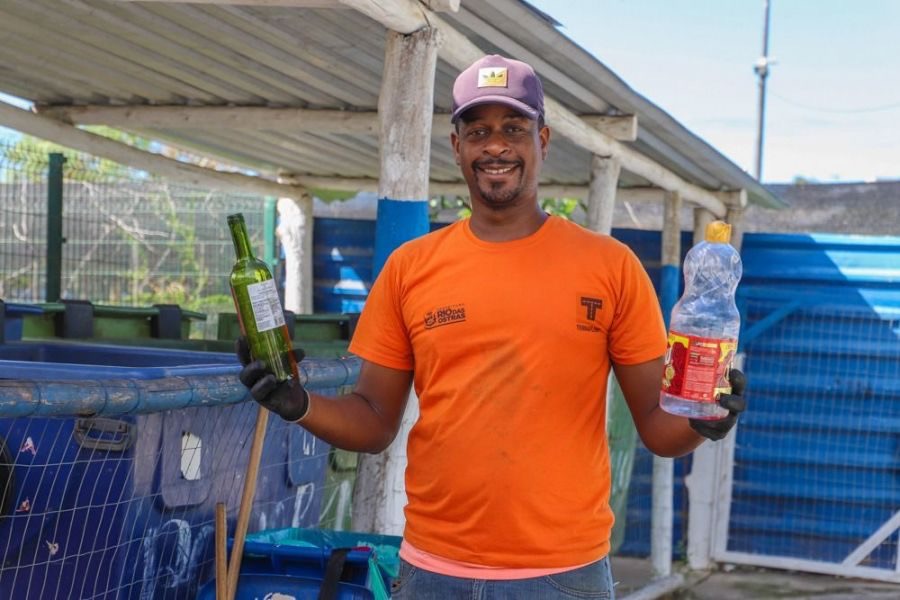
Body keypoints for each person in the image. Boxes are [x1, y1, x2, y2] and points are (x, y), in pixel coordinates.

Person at [237, 54, 746, 599]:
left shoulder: (611, 266)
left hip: (563, 576)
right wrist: (299, 404)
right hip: (433, 571)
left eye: (513, 129)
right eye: (478, 131)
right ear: (457, 147)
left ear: (542, 139)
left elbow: (656, 426)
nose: (496, 146)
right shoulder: (411, 267)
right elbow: (375, 420)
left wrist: (703, 419)